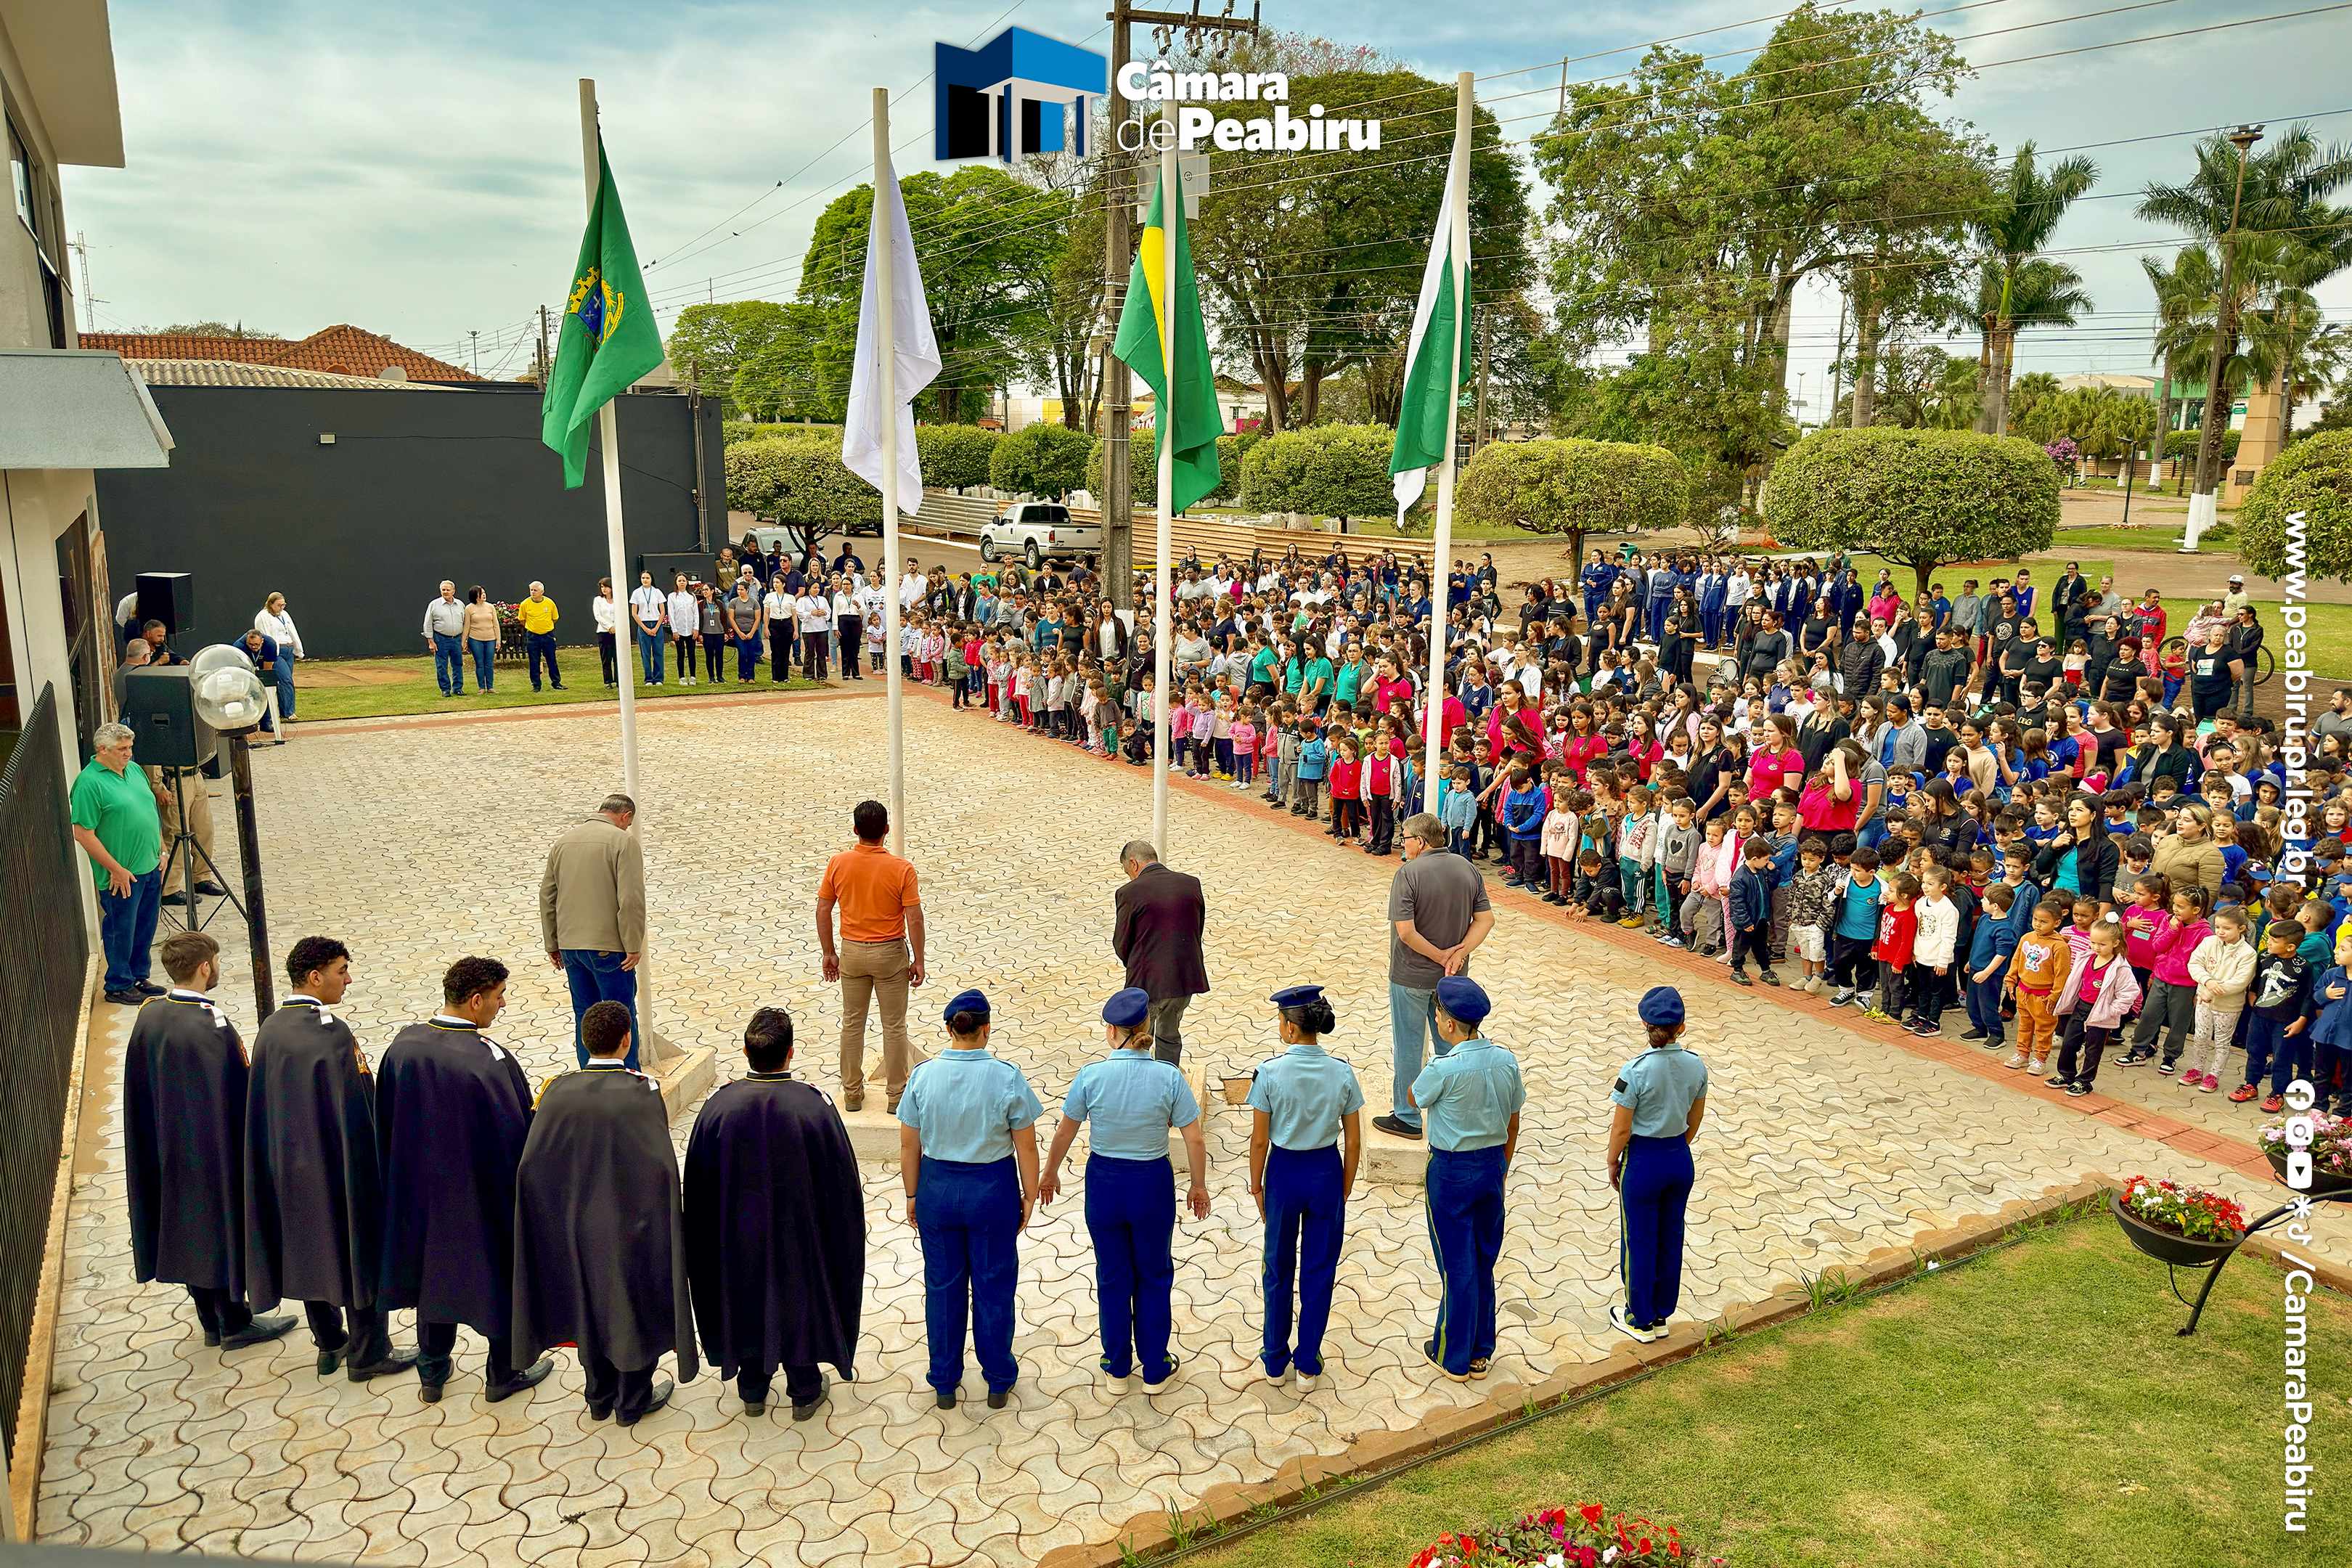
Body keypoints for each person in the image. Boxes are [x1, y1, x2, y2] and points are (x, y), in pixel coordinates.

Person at [375, 956, 555, 1405]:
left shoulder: (403, 1044)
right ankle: (503, 1374)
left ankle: (432, 1373)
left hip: (418, 1194)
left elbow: (386, 1116)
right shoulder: (489, 1060)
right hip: (479, 1197)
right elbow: (520, 1137)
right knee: (496, 1280)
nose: (502, 1005)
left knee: (431, 1278)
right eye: (498, 997)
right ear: (476, 1000)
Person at [512, 1001, 696, 1428]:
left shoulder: (556, 1089)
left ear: (583, 1040)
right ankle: (633, 1400)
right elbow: (658, 1165)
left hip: (572, 1226)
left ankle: (598, 1395)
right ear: (627, 1039)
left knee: (587, 1305)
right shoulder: (643, 1091)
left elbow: (532, 1164)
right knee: (630, 1306)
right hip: (628, 1225)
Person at [243, 936, 417, 1381]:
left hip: (288, 1166)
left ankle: (329, 1343)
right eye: (341, 971)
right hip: (337, 1168)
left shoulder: (271, 1029)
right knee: (358, 1250)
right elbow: (359, 1104)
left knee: (308, 1247)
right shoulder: (330, 1031)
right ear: (315, 977)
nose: (348, 979)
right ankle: (368, 1352)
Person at [685, 1007, 865, 1421]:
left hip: (736, 1236)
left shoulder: (718, 1107)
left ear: (746, 1052)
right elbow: (842, 1183)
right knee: (798, 1299)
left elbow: (696, 1182)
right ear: (791, 1052)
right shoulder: (814, 1105)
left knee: (747, 1298)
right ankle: (803, 1389)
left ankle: (752, 1388)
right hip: (801, 1236)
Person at [123, 930, 295, 1351]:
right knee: (219, 1229)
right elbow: (241, 1089)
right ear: (206, 967)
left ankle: (211, 1319)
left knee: (187, 1229)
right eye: (215, 962)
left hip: (166, 1143)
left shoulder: (151, 1013)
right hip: (211, 1149)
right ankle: (234, 1322)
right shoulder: (211, 1026)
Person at [1037, 988, 1209, 1391]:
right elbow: (1195, 1139)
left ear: (1112, 1031)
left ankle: (1116, 1367)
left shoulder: (1091, 1076)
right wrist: (1198, 1186)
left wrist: (1049, 1173)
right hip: (1151, 1184)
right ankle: (1154, 1367)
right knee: (1153, 1274)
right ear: (1147, 1028)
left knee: (1113, 1276)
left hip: (1105, 1184)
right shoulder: (1168, 1076)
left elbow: (1065, 1131)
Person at [895, 989, 1044, 1410]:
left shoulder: (923, 1076)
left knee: (943, 1285)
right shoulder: (1007, 1076)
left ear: (948, 1030)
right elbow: (1027, 1147)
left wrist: (911, 1193)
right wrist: (1029, 1195)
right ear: (986, 1030)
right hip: (991, 1188)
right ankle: (997, 1380)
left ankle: (944, 1381)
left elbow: (909, 1145)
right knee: (994, 1284)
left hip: (937, 1187)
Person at [1245, 984, 1363, 1389]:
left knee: (1277, 1267)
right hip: (1326, 1170)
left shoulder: (1270, 1072)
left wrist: (1257, 1185)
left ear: (1292, 1029)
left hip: (1284, 1172)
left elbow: (1260, 1140)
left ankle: (1275, 1361)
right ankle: (1309, 1364)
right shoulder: (1342, 1072)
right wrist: (1343, 1186)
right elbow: (1354, 1140)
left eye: (1281, 1020)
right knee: (1319, 1269)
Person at [1411, 976, 1524, 1382]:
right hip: (1492, 1165)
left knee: (1455, 1264)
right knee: (1483, 1259)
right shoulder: (1506, 1060)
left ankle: (1452, 1355)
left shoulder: (1444, 1067)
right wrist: (1503, 1167)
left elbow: (1414, 1097)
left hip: (1452, 1171)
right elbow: (1513, 1118)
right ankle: (1481, 1351)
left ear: (1446, 1024)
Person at [1376, 812, 1495, 1140]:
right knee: (1452, 1046)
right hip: (1453, 981)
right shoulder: (1467, 868)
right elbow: (1486, 920)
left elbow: (1406, 932)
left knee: (1409, 1047)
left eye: (1405, 839)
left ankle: (1408, 1116)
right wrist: (1458, 954)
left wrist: (1441, 955)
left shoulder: (1408, 874)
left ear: (1421, 841)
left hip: (1410, 977)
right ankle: (1456, 1111)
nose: (1403, 844)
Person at [1605, 986, 1708, 1344]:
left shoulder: (1635, 1070)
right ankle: (1662, 1313)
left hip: (1644, 1161)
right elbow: (1695, 1118)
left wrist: (1612, 1160)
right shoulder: (1696, 1064)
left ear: (1645, 1025)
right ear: (1682, 1027)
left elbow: (1622, 1127)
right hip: (1679, 1158)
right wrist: (1677, 1146)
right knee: (1671, 1236)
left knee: (1639, 1238)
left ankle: (1638, 1317)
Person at [815, 799, 928, 1112]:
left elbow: (824, 910)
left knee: (853, 1023)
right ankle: (896, 1096)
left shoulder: (838, 863)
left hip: (851, 951)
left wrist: (829, 952)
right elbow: (914, 918)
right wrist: (918, 959)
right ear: (887, 831)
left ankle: (852, 1092)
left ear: (855, 830)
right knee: (894, 1026)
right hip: (890, 953)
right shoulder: (901, 869)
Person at [539, 793, 647, 1069]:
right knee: (620, 1016)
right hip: (609, 949)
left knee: (584, 1015)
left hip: (570, 948)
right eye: (628, 823)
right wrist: (634, 945)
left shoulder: (563, 842)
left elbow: (547, 895)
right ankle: (627, 1079)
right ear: (625, 817)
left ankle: (589, 1076)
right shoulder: (623, 842)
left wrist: (553, 943)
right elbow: (631, 899)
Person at [72, 721, 166, 1005]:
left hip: (150, 867)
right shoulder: (89, 783)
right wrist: (115, 869)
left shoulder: (133, 771)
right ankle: (118, 985)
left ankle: (138, 975)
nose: (129, 753)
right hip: (121, 875)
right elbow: (82, 833)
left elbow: (150, 810)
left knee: (145, 926)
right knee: (121, 928)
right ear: (102, 749)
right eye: (122, 749)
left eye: (130, 747)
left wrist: (161, 848)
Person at [1111, 840, 1210, 1063]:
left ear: (1133, 863)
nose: (1129, 876)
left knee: (1138, 1037)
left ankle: (1140, 1084)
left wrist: (1137, 963)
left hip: (1147, 981)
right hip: (1184, 977)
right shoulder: (1191, 883)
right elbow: (1198, 928)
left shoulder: (1129, 892)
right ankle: (1169, 1080)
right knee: (1170, 1034)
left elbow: (1122, 942)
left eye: (1127, 870)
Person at [253, 591, 303, 723]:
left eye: (283, 605)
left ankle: (282, 710)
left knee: (284, 682)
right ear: (271, 604)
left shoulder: (284, 614)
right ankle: (290, 712)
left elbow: (292, 631)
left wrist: (298, 650)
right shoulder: (262, 617)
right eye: (279, 605)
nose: (282, 608)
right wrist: (270, 653)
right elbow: (263, 636)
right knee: (286, 680)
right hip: (276, 653)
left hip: (289, 650)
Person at [422, 581, 467, 697]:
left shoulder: (460, 605)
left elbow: (464, 622)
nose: (445, 592)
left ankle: (458, 688)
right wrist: (430, 641)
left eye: (448, 590)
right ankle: (445, 689)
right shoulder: (434, 604)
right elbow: (428, 623)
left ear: (454, 591)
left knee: (458, 664)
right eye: (443, 590)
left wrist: (464, 640)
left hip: (457, 639)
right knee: (441, 665)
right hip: (441, 639)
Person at [518, 581, 563, 690]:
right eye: (531, 590)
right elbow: (522, 619)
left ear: (542, 592)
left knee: (551, 659)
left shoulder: (549, 603)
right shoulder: (525, 604)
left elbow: (555, 618)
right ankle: (536, 685)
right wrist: (533, 627)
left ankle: (556, 682)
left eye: (535, 590)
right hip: (532, 636)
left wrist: (545, 627)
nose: (532, 592)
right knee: (534, 661)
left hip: (547, 635)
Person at [629, 570, 666, 686]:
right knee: (645, 653)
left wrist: (656, 628)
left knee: (658, 652)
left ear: (651, 579)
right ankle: (648, 678)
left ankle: (659, 678)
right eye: (643, 578)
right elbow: (634, 613)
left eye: (647, 578)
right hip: (643, 624)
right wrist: (645, 628)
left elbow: (663, 611)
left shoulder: (657, 592)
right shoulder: (637, 593)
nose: (645, 580)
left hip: (656, 624)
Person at [462, 587, 500, 693]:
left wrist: (498, 640)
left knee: (489, 663)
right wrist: (464, 641)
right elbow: (467, 626)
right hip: (475, 639)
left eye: (484, 592)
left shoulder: (490, 607)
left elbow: (496, 624)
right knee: (479, 663)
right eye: (481, 593)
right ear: (475, 595)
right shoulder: (469, 608)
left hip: (491, 639)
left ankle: (490, 687)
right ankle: (481, 688)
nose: (484, 595)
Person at [593, 577, 621, 687]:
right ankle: (608, 681)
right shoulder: (598, 600)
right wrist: (610, 626)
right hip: (604, 632)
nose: (604, 589)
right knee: (606, 657)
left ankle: (619, 680)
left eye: (606, 586)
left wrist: (616, 627)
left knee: (618, 657)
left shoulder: (618, 599)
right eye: (602, 587)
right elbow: (598, 616)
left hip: (618, 631)